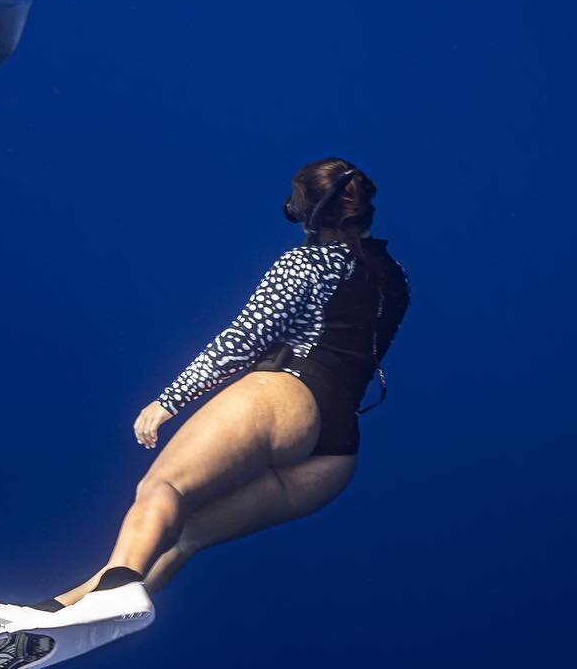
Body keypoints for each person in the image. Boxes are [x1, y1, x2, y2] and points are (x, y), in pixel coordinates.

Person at [51, 158, 410, 607]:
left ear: (307, 212)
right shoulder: (395, 276)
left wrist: (169, 400)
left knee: (162, 490)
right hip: (335, 455)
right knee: (182, 535)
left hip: (289, 401)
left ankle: (107, 597)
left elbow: (242, 339)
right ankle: (68, 610)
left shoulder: (305, 264)